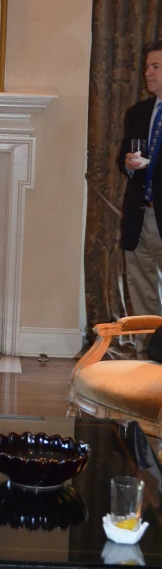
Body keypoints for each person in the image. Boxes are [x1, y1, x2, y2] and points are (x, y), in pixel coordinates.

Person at [120, 39, 162, 356]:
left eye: (156, 67)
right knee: (142, 289)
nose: (147, 72)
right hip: (140, 215)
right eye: (147, 66)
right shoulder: (138, 112)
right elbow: (125, 156)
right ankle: (145, 357)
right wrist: (128, 164)